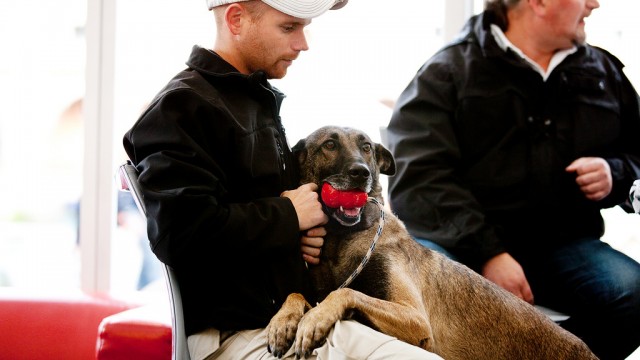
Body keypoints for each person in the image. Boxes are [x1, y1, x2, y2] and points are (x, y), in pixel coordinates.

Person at [123, 1, 442, 359]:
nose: (303, 43)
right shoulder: (180, 108)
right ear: (236, 19)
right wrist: (287, 217)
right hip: (238, 334)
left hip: (284, 316)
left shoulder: (252, 100)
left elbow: (255, 216)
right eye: (289, 28)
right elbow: (181, 233)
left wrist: (293, 237)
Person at [385, 0, 640, 359]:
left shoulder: (604, 71)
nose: (594, 4)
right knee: (431, 292)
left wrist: (616, 173)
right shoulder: (447, 71)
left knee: (632, 292)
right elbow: (419, 180)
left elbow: (637, 154)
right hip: (464, 247)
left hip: (562, 244)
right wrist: (489, 253)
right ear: (539, 2)